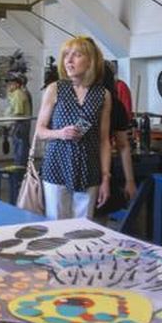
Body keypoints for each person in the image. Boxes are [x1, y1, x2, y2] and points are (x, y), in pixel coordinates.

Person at [36, 36, 112, 220]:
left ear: (90, 61)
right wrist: (60, 133)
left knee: (84, 228)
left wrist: (105, 178)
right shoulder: (55, 89)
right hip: (56, 166)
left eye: (76, 55)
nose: (69, 61)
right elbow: (40, 131)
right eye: (66, 56)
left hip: (89, 169)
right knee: (57, 225)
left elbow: (104, 141)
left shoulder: (103, 95)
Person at [95, 61, 137, 219]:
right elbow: (123, 146)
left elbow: (123, 145)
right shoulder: (115, 104)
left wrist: (130, 180)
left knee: (98, 218)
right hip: (94, 166)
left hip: (101, 167)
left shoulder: (115, 106)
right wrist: (129, 180)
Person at [6, 74, 32, 166]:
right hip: (19, 124)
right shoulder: (16, 93)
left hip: (19, 125)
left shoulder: (18, 94)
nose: (8, 86)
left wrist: (11, 126)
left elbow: (18, 112)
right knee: (19, 147)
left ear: (17, 84)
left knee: (20, 148)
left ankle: (19, 172)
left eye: (10, 84)